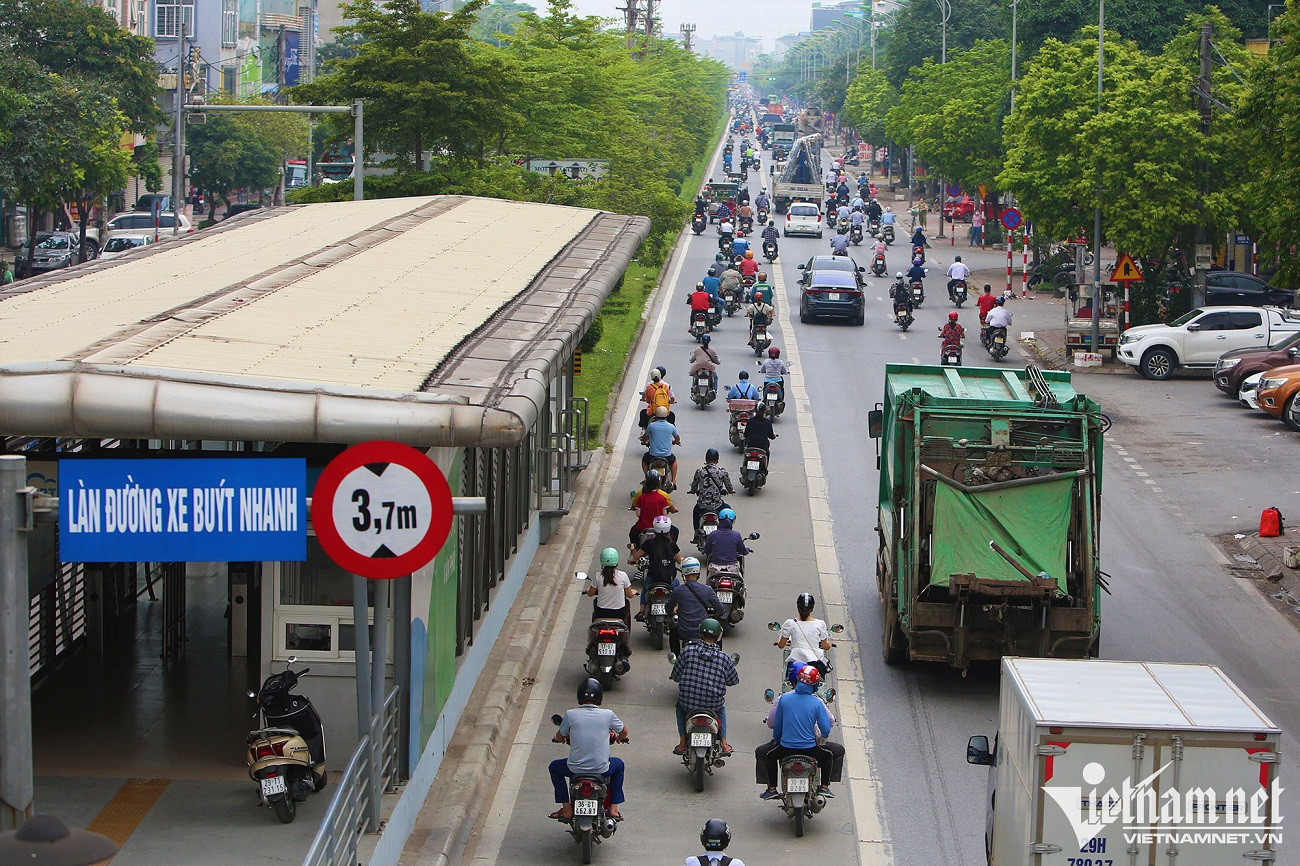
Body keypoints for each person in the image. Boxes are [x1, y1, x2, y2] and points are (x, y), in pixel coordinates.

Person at [548, 678, 628, 822]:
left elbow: (561, 735)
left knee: (554, 767)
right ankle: (614, 809)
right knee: (619, 765)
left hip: (575, 770)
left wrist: (557, 738)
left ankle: (566, 809)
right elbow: (624, 731)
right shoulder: (608, 714)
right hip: (601, 769)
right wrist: (619, 738)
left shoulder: (570, 714)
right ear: (599, 697)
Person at [754, 661, 844, 788]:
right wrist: (820, 738)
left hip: (785, 748)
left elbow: (777, 726)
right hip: (810, 749)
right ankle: (824, 787)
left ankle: (772, 789)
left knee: (770, 756)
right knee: (828, 755)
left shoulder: (784, 699)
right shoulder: (817, 702)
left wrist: (778, 741)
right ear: (815, 685)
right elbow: (826, 729)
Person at [670, 618, 738, 756]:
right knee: (721, 710)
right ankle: (724, 743)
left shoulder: (688, 651)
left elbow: (676, 676)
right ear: (718, 636)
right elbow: (733, 681)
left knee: (679, 707)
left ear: (700, 634)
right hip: (713, 706)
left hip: (688, 704)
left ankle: (682, 742)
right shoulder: (724, 658)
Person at [634, 517, 683, 619]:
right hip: (669, 580)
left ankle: (641, 611)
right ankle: (676, 608)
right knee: (677, 587)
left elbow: (636, 556)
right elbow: (679, 561)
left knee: (645, 588)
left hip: (652, 579)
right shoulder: (672, 544)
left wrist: (632, 558)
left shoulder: (649, 543)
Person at [777, 593, 832, 673]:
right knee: (820, 681)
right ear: (812, 608)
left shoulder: (790, 623)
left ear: (798, 607)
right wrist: (829, 644)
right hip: (814, 663)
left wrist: (782, 642)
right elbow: (825, 646)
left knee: (788, 681)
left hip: (796, 662)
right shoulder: (820, 624)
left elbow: (781, 645)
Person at [688, 449, 733, 540]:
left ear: (706, 459)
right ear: (717, 459)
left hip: (702, 505)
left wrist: (693, 491)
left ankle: (697, 533)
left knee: (695, 512)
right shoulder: (722, 471)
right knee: (728, 509)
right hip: (717, 505)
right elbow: (729, 486)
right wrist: (730, 491)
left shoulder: (700, 471)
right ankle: (727, 531)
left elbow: (694, 485)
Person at [629, 471, 675, 548]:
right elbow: (664, 514)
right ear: (658, 484)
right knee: (675, 531)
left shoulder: (641, 497)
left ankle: (634, 552)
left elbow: (638, 514)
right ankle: (671, 548)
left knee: (632, 534)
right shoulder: (662, 497)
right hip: (660, 527)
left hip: (642, 526)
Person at [641, 406, 681, 488]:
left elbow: (645, 437)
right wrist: (676, 442)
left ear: (655, 415)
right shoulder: (671, 426)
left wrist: (644, 442)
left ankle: (647, 477)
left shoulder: (651, 426)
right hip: (667, 456)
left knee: (644, 461)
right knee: (674, 462)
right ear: (667, 415)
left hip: (652, 455)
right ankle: (673, 481)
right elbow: (677, 438)